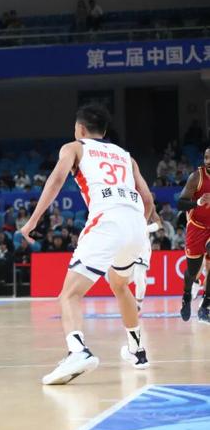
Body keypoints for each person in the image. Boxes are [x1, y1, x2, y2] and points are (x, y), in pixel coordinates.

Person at [20, 103, 154, 385]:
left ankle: (77, 351)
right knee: (120, 285)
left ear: (80, 128)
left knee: (69, 295)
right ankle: (137, 350)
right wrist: (134, 228)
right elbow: (148, 200)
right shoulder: (126, 156)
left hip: (107, 221)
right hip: (136, 225)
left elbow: (56, 180)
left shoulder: (74, 148)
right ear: (104, 130)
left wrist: (32, 220)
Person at [176, 146, 210, 323]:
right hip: (196, 227)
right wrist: (197, 202)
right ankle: (187, 296)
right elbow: (180, 204)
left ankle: (206, 305)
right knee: (192, 272)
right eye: (206, 157)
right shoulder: (196, 177)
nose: (208, 161)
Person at [131, 214, 162, 312]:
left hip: (142, 251)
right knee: (128, 278)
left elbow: (158, 224)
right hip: (129, 250)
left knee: (138, 277)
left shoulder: (148, 207)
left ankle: (138, 304)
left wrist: (146, 228)